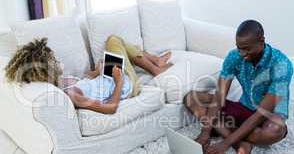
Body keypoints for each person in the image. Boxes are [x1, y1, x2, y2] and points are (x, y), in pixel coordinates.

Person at [183, 20, 293, 154]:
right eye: (239, 48)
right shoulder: (234, 56)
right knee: (191, 98)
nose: (242, 54)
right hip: (244, 108)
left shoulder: (282, 65)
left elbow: (261, 114)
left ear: (262, 41)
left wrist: (225, 143)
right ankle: (241, 142)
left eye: (247, 49)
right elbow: (219, 96)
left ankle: (226, 131)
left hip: (267, 117)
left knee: (275, 130)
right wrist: (205, 132)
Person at [4, 35, 173, 114]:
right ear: (45, 71)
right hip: (127, 85)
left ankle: (155, 63)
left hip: (108, 76)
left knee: (113, 41)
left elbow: (87, 84)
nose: (57, 60)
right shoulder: (70, 95)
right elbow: (110, 108)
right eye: (53, 61)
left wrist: (96, 73)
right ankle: (155, 66)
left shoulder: (64, 83)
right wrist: (119, 80)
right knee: (114, 40)